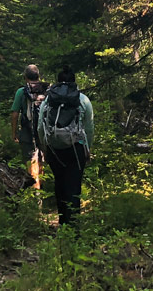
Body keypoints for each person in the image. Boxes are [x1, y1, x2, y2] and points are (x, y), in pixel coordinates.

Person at [38, 66, 94, 227]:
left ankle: (62, 222)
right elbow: (89, 128)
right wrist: (88, 148)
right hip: (76, 148)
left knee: (60, 183)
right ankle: (74, 225)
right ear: (74, 81)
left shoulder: (49, 100)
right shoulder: (83, 100)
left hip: (54, 148)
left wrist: (45, 148)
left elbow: (40, 127)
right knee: (74, 185)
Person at [11, 64, 48, 185]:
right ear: (38, 76)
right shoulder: (46, 90)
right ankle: (42, 186)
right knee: (42, 159)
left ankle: (33, 189)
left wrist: (14, 133)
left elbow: (15, 113)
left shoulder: (21, 92)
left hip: (27, 131)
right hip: (44, 131)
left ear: (25, 77)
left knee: (29, 160)